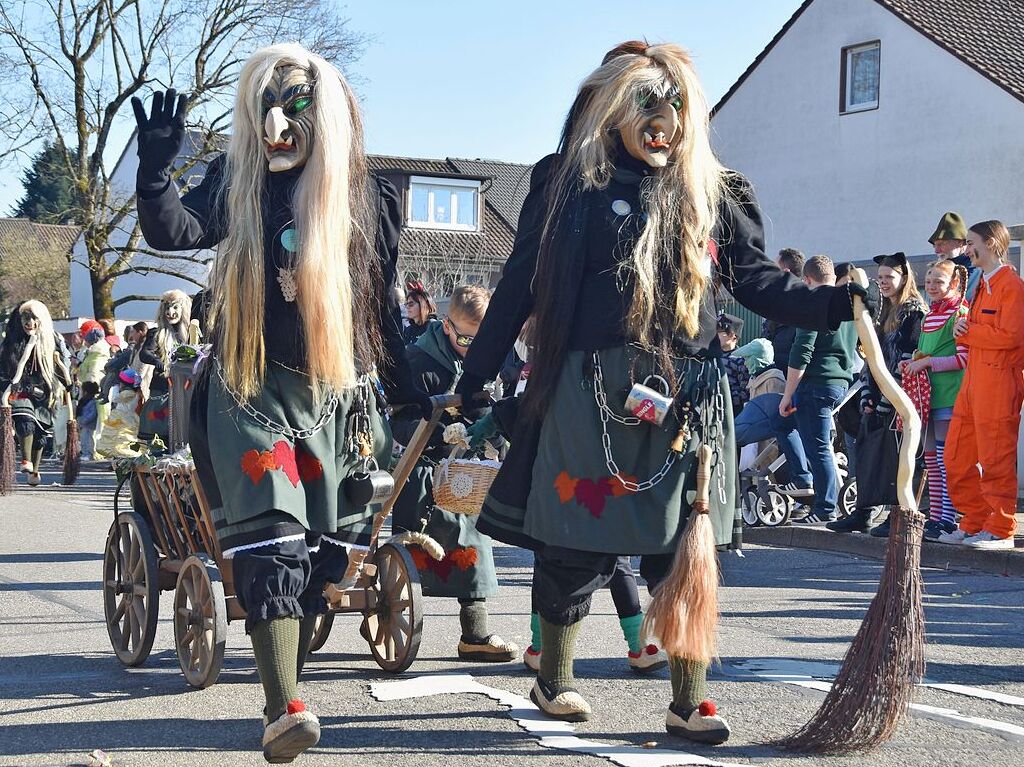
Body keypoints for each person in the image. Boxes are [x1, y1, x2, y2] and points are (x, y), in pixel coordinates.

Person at [452, 41, 868, 741]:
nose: (663, 120)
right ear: (614, 107)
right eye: (646, 102)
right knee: (574, 544)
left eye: (675, 105)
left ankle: (689, 699)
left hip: (688, 399)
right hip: (591, 396)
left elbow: (757, 279)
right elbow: (518, 286)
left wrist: (832, 305)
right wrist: (473, 381)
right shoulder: (568, 186)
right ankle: (554, 677)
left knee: (684, 550)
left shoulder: (710, 191)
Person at [131, 45, 427, 761]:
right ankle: (283, 705)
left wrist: (419, 395)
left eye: (292, 105)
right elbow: (174, 229)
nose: (275, 123)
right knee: (272, 538)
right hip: (249, 384)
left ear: (321, 114)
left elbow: (378, 314)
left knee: (328, 554)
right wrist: (155, 170)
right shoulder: (232, 182)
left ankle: (288, 671)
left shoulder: (366, 199)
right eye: (263, 106)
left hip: (336, 395)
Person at [390, 284, 519, 663]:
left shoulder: (479, 361)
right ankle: (388, 613)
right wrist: (432, 430)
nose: (472, 349)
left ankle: (474, 635)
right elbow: (398, 420)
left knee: (475, 541)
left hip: (463, 471)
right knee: (426, 550)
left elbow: (484, 410)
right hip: (423, 468)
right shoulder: (417, 361)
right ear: (447, 326)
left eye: (480, 342)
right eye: (465, 339)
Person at [940, 220, 1024, 550]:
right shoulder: (983, 285)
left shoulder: (1011, 286)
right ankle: (975, 521)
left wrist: (968, 331)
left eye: (971, 242)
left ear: (990, 243)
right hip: (974, 381)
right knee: (956, 455)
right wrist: (966, 327)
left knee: (996, 458)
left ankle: (1001, 528)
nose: (967, 248)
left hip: (999, 382)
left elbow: (1012, 336)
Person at [773, 256, 858, 523]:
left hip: (816, 384)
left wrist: (787, 394)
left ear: (807, 280)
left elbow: (801, 353)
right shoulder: (848, 304)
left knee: (819, 447)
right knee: (784, 425)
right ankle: (804, 481)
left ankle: (825, 507)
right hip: (840, 382)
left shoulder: (812, 305)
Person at [895, 260, 969, 541]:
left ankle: (948, 519)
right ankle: (936, 516)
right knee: (931, 461)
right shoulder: (928, 317)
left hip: (949, 396)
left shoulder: (959, 314)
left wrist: (925, 364)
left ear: (954, 284)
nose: (932, 286)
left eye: (939, 281)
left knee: (947, 459)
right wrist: (912, 362)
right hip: (927, 398)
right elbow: (924, 352)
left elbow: (963, 359)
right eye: (929, 280)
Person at [861, 252, 925, 538]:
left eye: (890, 277)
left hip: (902, 394)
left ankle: (898, 512)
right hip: (881, 389)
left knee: (900, 456)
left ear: (904, 278)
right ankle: (865, 510)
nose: (884, 282)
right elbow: (871, 356)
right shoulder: (882, 311)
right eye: (881, 277)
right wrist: (869, 395)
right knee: (872, 451)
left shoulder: (913, 312)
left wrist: (891, 398)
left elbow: (907, 357)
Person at [0, 301, 72, 486]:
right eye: (25, 317)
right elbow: (4, 367)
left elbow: (63, 364)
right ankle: (25, 460)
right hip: (20, 389)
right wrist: (10, 383)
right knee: (25, 420)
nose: (29, 322)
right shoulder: (12, 340)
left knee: (41, 435)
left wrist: (68, 383)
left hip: (46, 390)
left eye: (33, 318)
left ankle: (35, 471)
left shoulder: (54, 339)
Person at [137, 290, 191, 447]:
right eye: (167, 308)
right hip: (161, 388)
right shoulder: (157, 333)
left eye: (175, 307)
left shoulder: (190, 335)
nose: (170, 312)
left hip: (185, 387)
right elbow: (145, 353)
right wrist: (160, 363)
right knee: (159, 431)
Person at [763, 248, 805, 373]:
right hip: (778, 376)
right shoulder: (776, 302)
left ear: (785, 273)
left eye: (774, 269)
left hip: (793, 380)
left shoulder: (802, 303)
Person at [929, 211, 980, 303]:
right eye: (935, 246)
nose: (936, 250)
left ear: (960, 242)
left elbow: (962, 301)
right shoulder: (943, 267)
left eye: (941, 244)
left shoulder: (974, 268)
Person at [716, 313, 749, 415]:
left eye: (720, 332)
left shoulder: (740, 360)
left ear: (733, 335)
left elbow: (745, 391)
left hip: (732, 410)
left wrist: (727, 397)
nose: (715, 335)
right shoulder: (713, 356)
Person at [402, 280, 439, 345]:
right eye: (406, 304)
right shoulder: (408, 330)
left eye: (411, 304)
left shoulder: (433, 326)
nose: (407, 307)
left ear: (423, 305)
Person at [76, 380, 100, 461]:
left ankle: (89, 454)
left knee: (89, 440)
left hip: (89, 425)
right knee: (83, 439)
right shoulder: (83, 400)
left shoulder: (93, 401)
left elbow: (93, 414)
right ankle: (85, 452)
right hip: (83, 424)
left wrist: (84, 421)